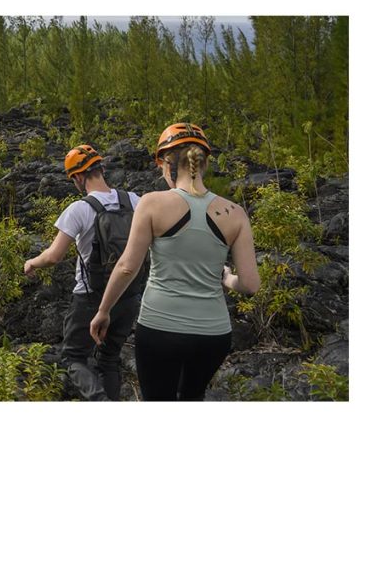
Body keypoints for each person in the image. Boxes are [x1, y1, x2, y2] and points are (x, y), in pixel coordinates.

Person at [89, 123, 260, 401]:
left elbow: (127, 267)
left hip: (160, 329)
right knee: (192, 397)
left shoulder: (152, 203)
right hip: (213, 334)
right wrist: (227, 278)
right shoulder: (235, 213)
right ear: (203, 163)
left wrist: (104, 310)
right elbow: (251, 284)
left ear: (168, 164)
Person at [23, 144, 143, 401]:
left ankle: (100, 403)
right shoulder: (134, 200)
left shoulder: (79, 209)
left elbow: (54, 256)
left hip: (91, 298)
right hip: (130, 293)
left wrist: (32, 262)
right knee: (109, 358)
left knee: (74, 357)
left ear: (78, 177)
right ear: (100, 168)